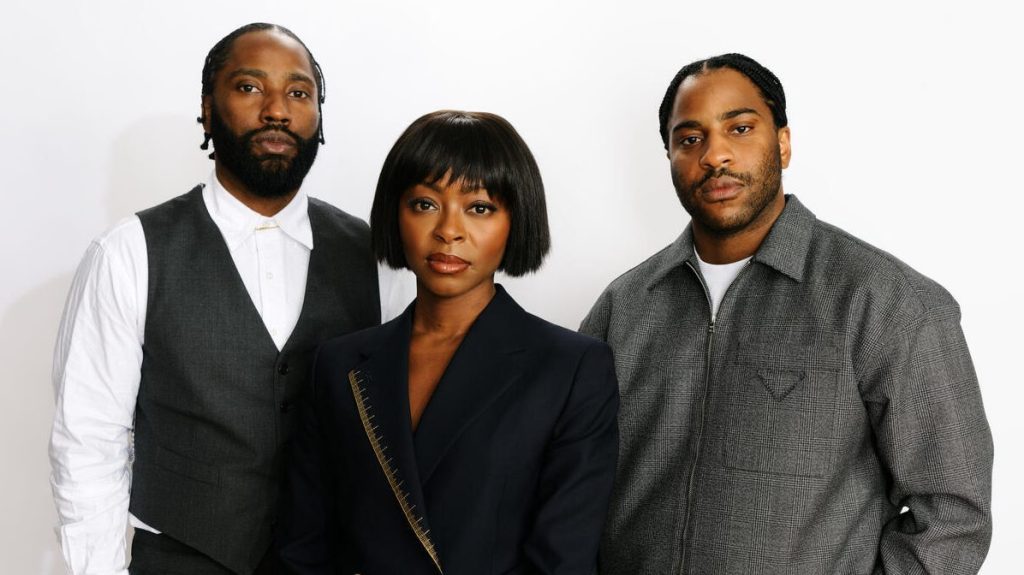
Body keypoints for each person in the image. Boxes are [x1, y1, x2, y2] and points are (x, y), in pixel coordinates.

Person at [582, 53, 993, 574]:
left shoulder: (883, 300)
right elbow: (574, 490)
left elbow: (953, 516)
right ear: (669, 155)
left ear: (783, 142)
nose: (715, 155)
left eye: (740, 127)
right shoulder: (624, 308)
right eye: (690, 138)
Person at [49, 22, 404, 574]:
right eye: (248, 87)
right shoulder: (130, 252)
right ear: (208, 111)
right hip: (180, 558)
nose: (277, 111)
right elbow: (87, 439)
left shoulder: (374, 254)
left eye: (299, 92)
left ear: (318, 117)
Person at [277, 110, 620, 574]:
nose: (448, 230)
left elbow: (564, 560)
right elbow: (304, 550)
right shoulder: (337, 365)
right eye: (424, 204)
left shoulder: (571, 368)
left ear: (515, 220)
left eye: (479, 207)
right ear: (395, 213)